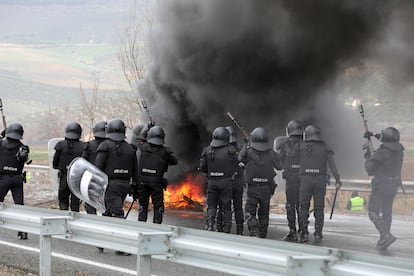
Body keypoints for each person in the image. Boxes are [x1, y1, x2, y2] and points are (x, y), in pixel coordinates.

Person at [94, 118, 139, 256]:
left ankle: (117, 246)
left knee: (115, 214)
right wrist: (135, 186)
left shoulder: (105, 146)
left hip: (110, 185)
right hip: (125, 185)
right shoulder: (130, 148)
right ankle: (105, 243)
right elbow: (135, 170)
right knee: (111, 212)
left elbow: (97, 168)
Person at [298, 125, 341, 244]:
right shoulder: (325, 147)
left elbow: (292, 160)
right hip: (320, 181)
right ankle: (318, 234)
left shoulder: (301, 146)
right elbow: (332, 166)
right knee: (319, 208)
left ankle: (304, 233)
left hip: (305, 180)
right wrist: (337, 179)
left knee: (303, 207)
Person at [364, 127, 404, 251]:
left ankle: (386, 235)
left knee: (373, 212)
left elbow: (370, 170)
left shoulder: (381, 152)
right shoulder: (399, 150)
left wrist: (369, 156)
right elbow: (386, 139)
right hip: (393, 185)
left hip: (381, 185)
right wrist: (372, 134)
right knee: (387, 212)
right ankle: (384, 238)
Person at [239, 127, 282, 238]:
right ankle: (262, 234)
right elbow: (280, 167)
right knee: (264, 213)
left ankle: (253, 229)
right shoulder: (271, 153)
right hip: (266, 188)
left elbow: (239, 158)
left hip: (252, 188)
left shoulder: (248, 152)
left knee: (249, 211)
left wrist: (246, 145)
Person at [136, 126, 178, 224]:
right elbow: (174, 161)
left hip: (143, 182)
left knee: (143, 205)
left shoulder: (143, 147)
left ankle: (141, 224)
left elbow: (139, 141)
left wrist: (146, 130)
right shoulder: (164, 152)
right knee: (158, 206)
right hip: (156, 183)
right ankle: (156, 225)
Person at [200, 127, 238, 233]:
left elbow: (203, 167)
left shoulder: (207, 150)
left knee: (211, 205)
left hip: (212, 182)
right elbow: (237, 165)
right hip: (226, 182)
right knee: (226, 206)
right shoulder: (231, 150)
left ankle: (210, 224)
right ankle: (226, 228)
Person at [0, 123, 30, 240]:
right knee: (19, 205)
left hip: (3, 178)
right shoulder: (23, 147)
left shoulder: (1, 144)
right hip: (18, 178)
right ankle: (23, 231)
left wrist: (2, 135)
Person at [277, 120, 303, 242]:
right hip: (303, 179)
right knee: (302, 205)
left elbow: (279, 162)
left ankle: (292, 231)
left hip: (291, 180)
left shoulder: (284, 145)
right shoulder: (306, 144)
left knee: (290, 205)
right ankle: (303, 231)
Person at [216, 126, 244, 234]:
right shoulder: (241, 149)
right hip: (238, 182)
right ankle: (240, 229)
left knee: (223, 206)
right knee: (238, 207)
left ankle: (221, 228)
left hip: (225, 182)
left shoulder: (220, 149)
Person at [53, 122, 84, 212]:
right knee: (75, 202)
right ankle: (75, 220)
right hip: (77, 177)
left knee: (63, 201)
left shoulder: (60, 145)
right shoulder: (83, 146)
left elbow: (55, 163)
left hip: (64, 176)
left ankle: (63, 217)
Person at [82, 121, 107, 214]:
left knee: (90, 200)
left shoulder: (89, 145)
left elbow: (83, 161)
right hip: (107, 178)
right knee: (106, 202)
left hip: (91, 177)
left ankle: (91, 219)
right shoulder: (111, 145)